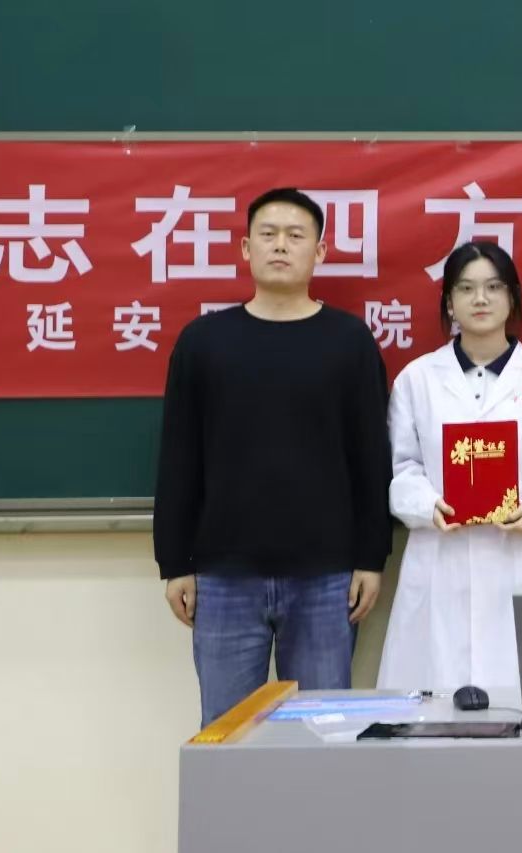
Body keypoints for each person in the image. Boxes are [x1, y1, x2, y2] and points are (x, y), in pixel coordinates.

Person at [154, 187, 393, 726]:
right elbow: (179, 458)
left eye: (295, 235)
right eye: (268, 234)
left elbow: (370, 457)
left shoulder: (350, 341)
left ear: (320, 252)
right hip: (223, 575)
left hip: (327, 577)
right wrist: (175, 563)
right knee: (226, 735)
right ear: (246, 248)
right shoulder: (203, 342)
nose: (280, 245)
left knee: (322, 735)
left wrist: (371, 557)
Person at [377, 241, 522, 692]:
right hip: (440, 558)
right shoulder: (417, 380)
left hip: (519, 559)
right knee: (432, 705)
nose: (480, 299)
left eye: (494, 287)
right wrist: (426, 505)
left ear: (512, 298)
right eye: (466, 288)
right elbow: (402, 467)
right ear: (449, 303)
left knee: (519, 701)